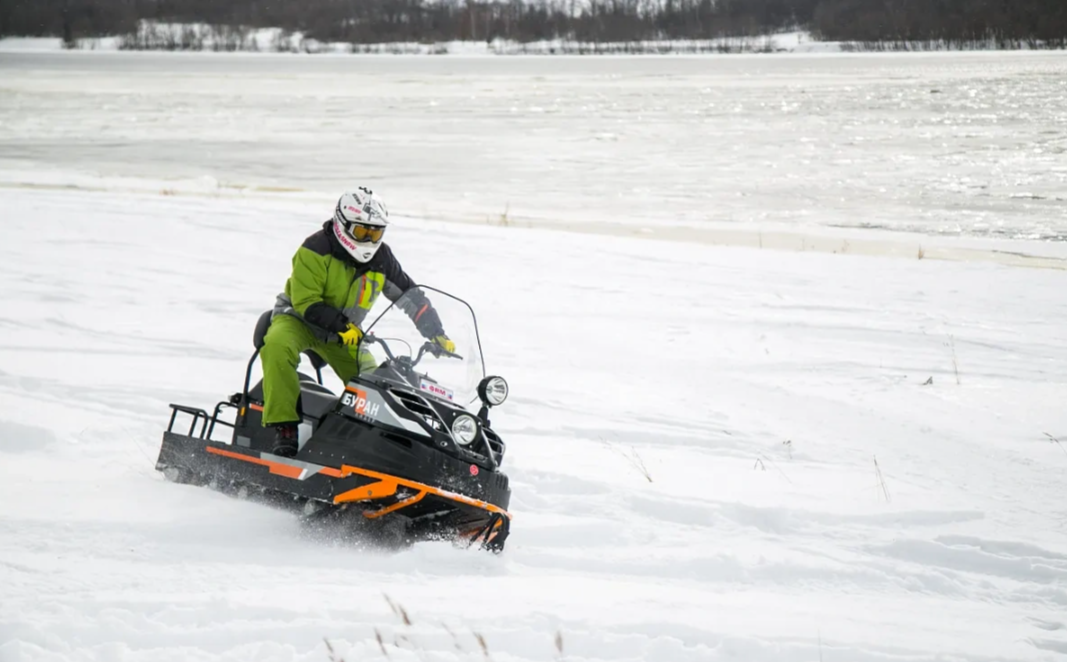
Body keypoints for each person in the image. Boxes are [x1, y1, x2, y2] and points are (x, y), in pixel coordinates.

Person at [260, 186, 454, 457]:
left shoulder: (382, 258)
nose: (369, 239)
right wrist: (342, 326)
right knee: (277, 346)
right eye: (363, 232)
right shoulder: (314, 249)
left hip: (345, 333)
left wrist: (435, 332)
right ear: (343, 224)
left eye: (375, 232)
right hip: (299, 320)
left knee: (375, 382)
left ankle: (369, 445)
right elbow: (306, 302)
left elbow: (410, 297)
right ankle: (285, 428)